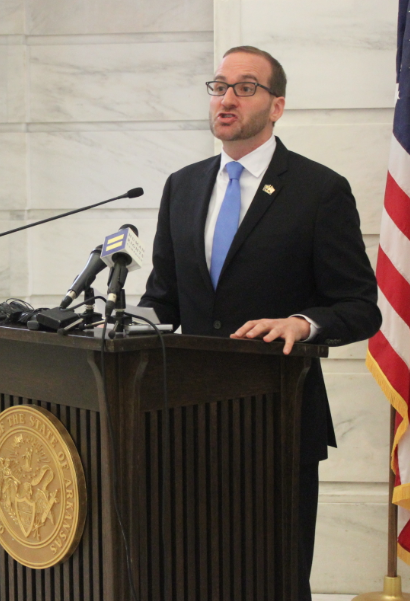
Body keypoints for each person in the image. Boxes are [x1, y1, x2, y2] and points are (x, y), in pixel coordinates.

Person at [139, 46, 382, 599]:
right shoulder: (182, 185)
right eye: (219, 86)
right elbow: (165, 300)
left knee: (272, 571)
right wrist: (113, 323)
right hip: (185, 417)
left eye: (245, 88)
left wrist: (301, 321)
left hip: (277, 415)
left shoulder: (320, 190)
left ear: (277, 107)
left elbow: (360, 306)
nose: (226, 98)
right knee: (192, 567)